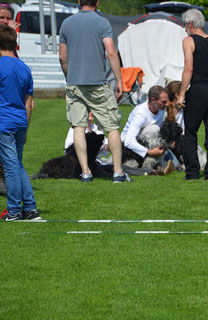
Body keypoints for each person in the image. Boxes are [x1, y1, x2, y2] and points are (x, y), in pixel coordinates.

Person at [58, 0, 127, 183]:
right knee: (111, 126)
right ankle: (118, 172)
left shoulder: (66, 23)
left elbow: (62, 57)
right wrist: (119, 80)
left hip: (75, 83)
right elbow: (111, 53)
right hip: (97, 83)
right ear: (97, 2)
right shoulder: (102, 22)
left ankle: (86, 172)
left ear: (79, 2)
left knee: (78, 127)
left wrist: (68, 76)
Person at [177, 8, 208, 180]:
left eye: (184, 25)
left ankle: (192, 172)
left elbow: (188, 68)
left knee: (190, 132)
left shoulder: (188, 41)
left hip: (197, 90)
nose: (184, 28)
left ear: (190, 24)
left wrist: (182, 93)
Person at [0, 25, 41, 221]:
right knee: (17, 164)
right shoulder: (24, 67)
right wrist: (26, 128)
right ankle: (31, 208)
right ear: (15, 44)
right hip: (19, 121)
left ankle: (14, 211)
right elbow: (29, 103)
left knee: (10, 166)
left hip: (4, 122)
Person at [121, 85, 168, 160]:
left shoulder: (163, 110)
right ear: (153, 100)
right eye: (163, 102)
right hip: (127, 146)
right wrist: (150, 152)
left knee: (176, 164)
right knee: (154, 129)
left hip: (151, 142)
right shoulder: (140, 113)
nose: (167, 104)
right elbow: (128, 141)